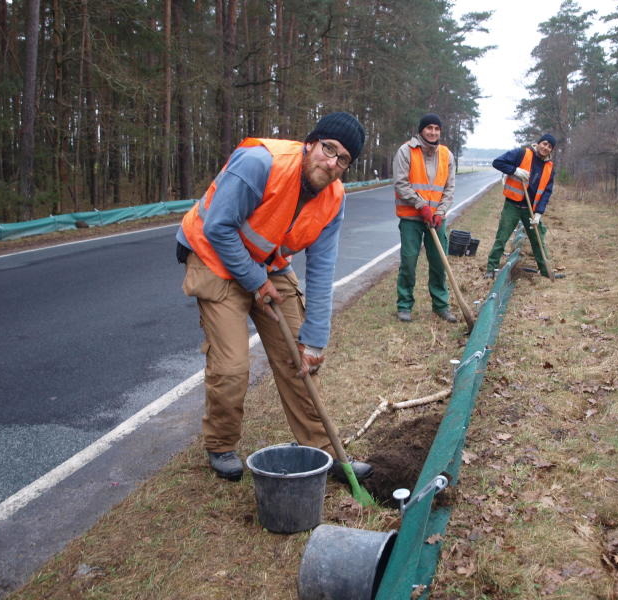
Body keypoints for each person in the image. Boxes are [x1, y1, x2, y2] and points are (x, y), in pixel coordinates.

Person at [176, 112, 372, 484]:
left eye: (343, 159)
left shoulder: (334, 198)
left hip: (269, 265)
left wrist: (315, 339)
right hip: (213, 257)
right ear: (311, 143)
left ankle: (324, 452)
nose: (332, 163)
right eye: (328, 149)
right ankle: (221, 444)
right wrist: (253, 280)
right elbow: (218, 227)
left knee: (298, 358)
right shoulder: (260, 162)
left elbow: (322, 268)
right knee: (232, 367)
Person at [392, 113, 457, 323]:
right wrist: (421, 206)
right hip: (411, 217)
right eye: (429, 128)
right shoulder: (406, 151)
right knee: (409, 262)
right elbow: (401, 184)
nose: (433, 132)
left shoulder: (447, 155)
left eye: (437, 129)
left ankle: (441, 305)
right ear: (421, 130)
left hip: (436, 219)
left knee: (439, 262)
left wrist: (439, 212)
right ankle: (404, 305)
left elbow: (449, 188)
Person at [485, 133, 562, 279]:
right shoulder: (521, 154)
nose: (546, 148)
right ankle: (491, 268)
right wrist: (515, 170)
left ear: (551, 150)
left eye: (549, 146)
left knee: (537, 240)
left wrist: (539, 213)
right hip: (512, 206)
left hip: (530, 210)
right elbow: (497, 162)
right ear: (538, 143)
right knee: (502, 237)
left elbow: (546, 192)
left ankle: (546, 271)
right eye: (544, 144)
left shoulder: (549, 167)